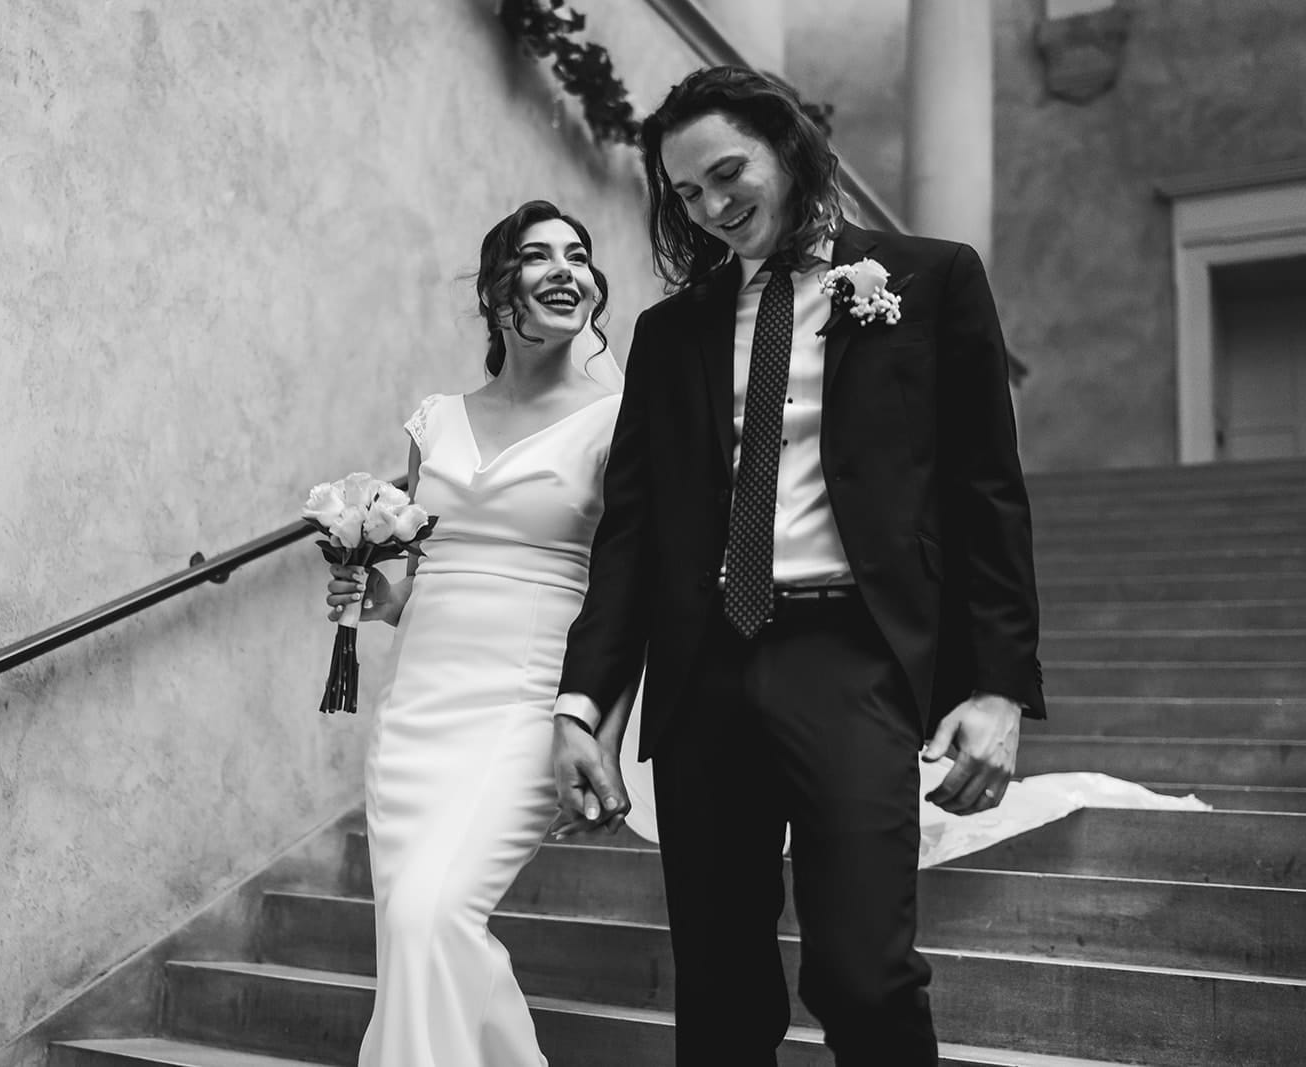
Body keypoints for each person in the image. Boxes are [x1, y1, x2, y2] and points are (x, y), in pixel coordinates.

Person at [548, 66, 1044, 1066]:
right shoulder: (671, 330)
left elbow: (985, 493)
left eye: (728, 173)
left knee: (864, 973)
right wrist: (581, 704)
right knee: (721, 991)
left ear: (787, 147)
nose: (712, 208)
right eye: (685, 194)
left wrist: (995, 687)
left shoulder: (930, 280)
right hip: (703, 675)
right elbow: (631, 534)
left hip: (850, 659)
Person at [324, 199, 629, 1067]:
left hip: (527, 705)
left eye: (579, 255)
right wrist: (378, 598)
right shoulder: (436, 420)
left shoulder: (618, 421)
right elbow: (426, 573)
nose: (566, 269)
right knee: (421, 942)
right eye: (539, 256)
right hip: (419, 711)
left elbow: (627, 588)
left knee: (433, 916)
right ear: (500, 289)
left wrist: (598, 728)